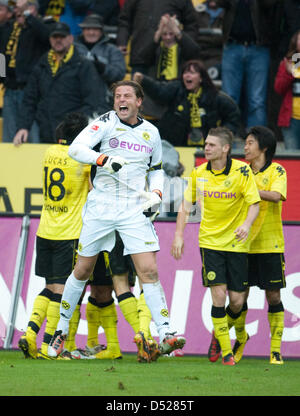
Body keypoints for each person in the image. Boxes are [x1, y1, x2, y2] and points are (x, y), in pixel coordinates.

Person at [47, 79, 186, 360]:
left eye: (126, 96)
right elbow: (76, 149)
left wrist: (157, 194)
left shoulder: (151, 133)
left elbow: (156, 169)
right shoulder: (106, 122)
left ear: (139, 102)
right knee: (83, 270)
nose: (120, 100)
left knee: (149, 270)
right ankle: (60, 332)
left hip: (134, 208)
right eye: (116, 96)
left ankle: (167, 333)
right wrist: (103, 160)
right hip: (101, 207)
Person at [171, 126, 260, 366]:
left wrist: (247, 224)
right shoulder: (199, 172)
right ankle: (225, 351)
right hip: (210, 242)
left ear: (225, 148)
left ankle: (218, 331)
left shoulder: (242, 171)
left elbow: (254, 204)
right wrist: (179, 235)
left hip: (237, 243)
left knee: (238, 301)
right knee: (218, 296)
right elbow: (185, 206)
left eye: (211, 145)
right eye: (206, 144)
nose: (206, 148)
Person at [18, 111, 91, 360]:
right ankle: (51, 346)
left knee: (48, 287)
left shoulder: (49, 153)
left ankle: (30, 333)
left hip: (45, 229)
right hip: (67, 234)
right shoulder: (83, 162)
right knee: (60, 291)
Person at [230, 126, 287, 365]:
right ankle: (241, 338)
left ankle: (275, 350)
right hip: (243, 245)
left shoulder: (277, 170)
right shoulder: (240, 171)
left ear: (263, 147)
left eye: (250, 142)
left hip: (270, 245)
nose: (245, 147)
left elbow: (276, 195)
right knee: (239, 298)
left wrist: (250, 191)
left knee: (273, 296)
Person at [13, 21, 108, 144]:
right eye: (54, 37)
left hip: (74, 134)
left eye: (62, 37)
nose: (58, 40)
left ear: (70, 38)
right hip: (46, 130)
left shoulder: (84, 65)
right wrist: (23, 127)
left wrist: (74, 124)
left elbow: (93, 100)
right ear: (50, 39)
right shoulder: (41, 65)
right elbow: (29, 99)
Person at [133, 59, 241, 147]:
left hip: (205, 148)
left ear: (201, 78)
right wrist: (144, 80)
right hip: (174, 145)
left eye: (192, 73)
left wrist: (223, 134)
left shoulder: (214, 97)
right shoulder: (176, 88)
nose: (187, 75)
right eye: (185, 72)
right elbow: (159, 92)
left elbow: (233, 114)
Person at [216, 0, 279, 129]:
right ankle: (225, 141)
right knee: (228, 97)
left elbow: (270, 3)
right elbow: (219, 2)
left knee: (257, 100)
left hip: (258, 47)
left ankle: (256, 143)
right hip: (232, 45)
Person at [0, 0, 51, 143]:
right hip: (10, 89)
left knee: (32, 134)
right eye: (17, 9)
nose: (18, 12)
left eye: (22, 9)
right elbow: (1, 55)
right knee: (9, 136)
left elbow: (47, 37)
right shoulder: (9, 27)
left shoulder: (42, 25)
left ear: (32, 9)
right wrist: (2, 77)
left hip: (32, 91)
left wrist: (27, 15)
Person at [116, 0, 198, 75]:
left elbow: (191, 25)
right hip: (140, 58)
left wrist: (187, 48)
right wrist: (122, 42)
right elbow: (124, 21)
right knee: (139, 90)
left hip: (171, 59)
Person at [74, 13, 126, 106]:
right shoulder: (72, 48)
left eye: (95, 29)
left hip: (102, 100)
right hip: (75, 97)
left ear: (101, 31)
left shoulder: (112, 50)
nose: (91, 32)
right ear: (82, 31)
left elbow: (120, 74)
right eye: (88, 29)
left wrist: (103, 69)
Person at [274, 29, 300, 150]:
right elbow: (279, 89)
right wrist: (289, 74)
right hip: (291, 120)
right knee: (293, 159)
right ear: (295, 42)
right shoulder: (289, 62)